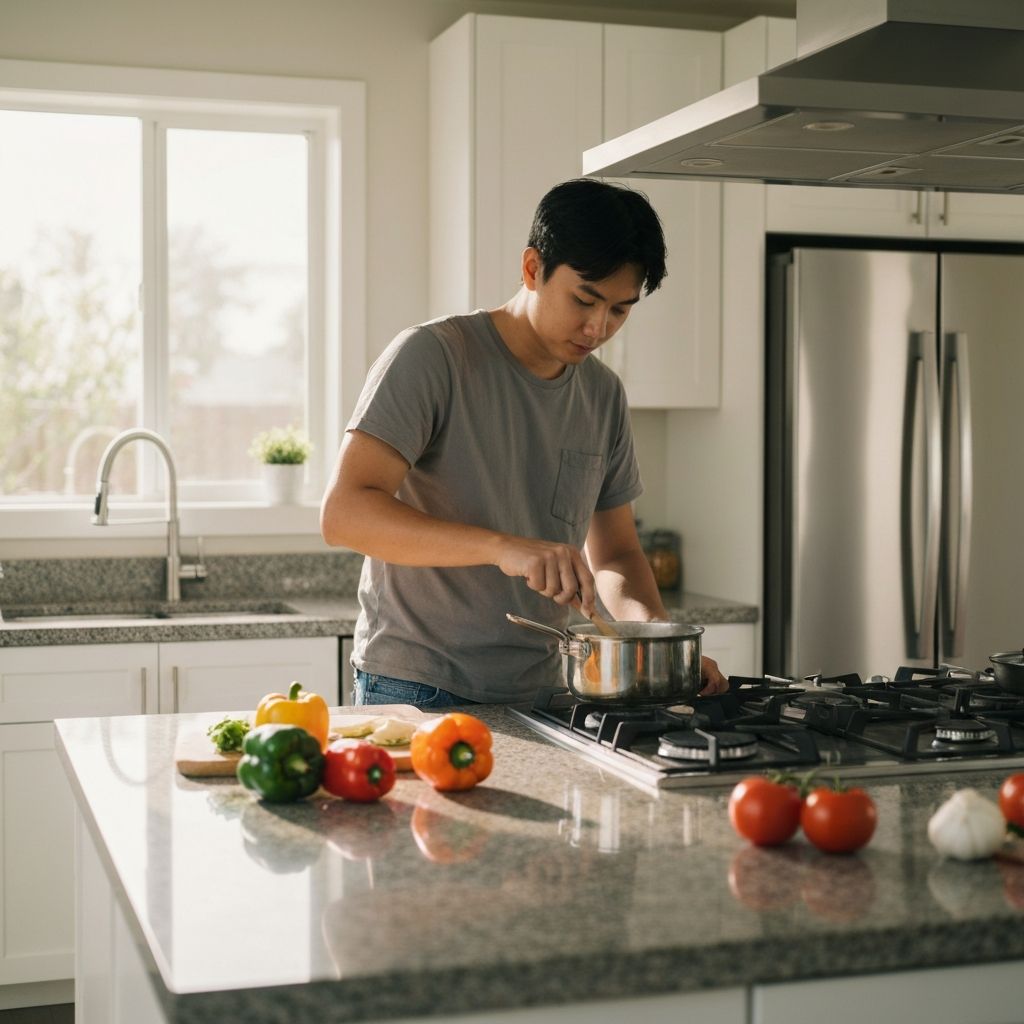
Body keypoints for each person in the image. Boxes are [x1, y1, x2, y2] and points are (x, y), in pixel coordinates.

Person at [320, 177, 727, 708]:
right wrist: (502, 547)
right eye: (585, 300)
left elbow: (618, 553)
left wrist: (655, 639)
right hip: (417, 685)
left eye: (620, 310)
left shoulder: (602, 393)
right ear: (532, 268)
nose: (598, 327)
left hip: (546, 688)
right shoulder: (432, 357)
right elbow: (344, 514)